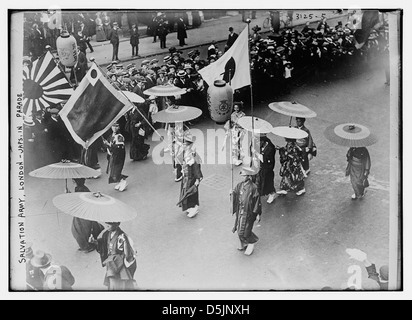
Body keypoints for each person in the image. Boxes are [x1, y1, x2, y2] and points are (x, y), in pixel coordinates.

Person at [89, 222, 137, 290]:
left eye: (110, 223)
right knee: (112, 281)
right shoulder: (106, 234)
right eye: (106, 223)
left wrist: (124, 244)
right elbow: (102, 245)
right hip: (110, 261)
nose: (107, 225)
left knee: (121, 281)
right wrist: (94, 242)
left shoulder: (122, 236)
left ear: (117, 224)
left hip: (119, 262)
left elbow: (127, 253)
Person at [232, 166, 262, 256]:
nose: (243, 177)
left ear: (248, 176)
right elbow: (235, 193)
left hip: (249, 213)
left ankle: (251, 242)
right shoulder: (240, 185)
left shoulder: (253, 188)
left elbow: (257, 201)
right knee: (239, 229)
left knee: (246, 230)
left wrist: (257, 213)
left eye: (244, 176)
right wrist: (232, 193)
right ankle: (243, 243)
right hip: (240, 211)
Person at [71, 178, 104, 253]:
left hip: (82, 213)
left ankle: (86, 246)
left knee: (78, 231)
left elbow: (77, 201)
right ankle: (97, 236)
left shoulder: (79, 189)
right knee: (88, 226)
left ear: (74, 181)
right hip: (85, 212)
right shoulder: (82, 188)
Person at [178, 134, 203, 218]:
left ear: (189, 145)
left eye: (185, 145)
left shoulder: (193, 155)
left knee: (192, 192)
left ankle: (194, 207)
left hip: (192, 177)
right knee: (185, 191)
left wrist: (198, 179)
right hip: (185, 176)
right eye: (183, 144)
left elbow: (196, 167)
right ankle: (188, 207)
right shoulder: (185, 153)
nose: (183, 146)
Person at [103, 122, 128, 191]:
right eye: (113, 126)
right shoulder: (111, 135)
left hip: (118, 156)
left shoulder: (120, 136)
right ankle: (120, 182)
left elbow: (118, 147)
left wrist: (108, 144)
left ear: (119, 127)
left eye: (116, 126)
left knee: (116, 170)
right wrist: (106, 145)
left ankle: (123, 181)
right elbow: (108, 144)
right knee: (112, 171)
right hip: (112, 156)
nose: (115, 128)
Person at [255, 133, 277, 204]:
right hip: (260, 167)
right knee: (258, 181)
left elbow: (270, 161)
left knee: (268, 182)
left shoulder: (270, 148)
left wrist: (259, 155)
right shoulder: (260, 145)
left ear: (263, 141)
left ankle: (272, 193)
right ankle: (258, 193)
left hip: (267, 168)